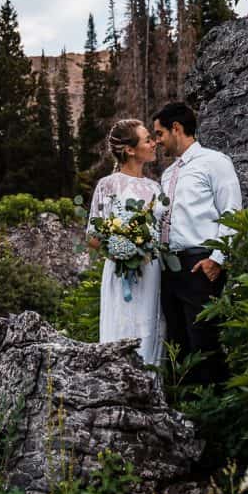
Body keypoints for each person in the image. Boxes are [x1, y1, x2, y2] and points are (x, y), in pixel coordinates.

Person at [152, 102, 242, 384]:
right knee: (177, 345)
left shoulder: (215, 162)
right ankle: (187, 412)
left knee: (205, 343)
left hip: (200, 265)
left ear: (176, 128)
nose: (157, 141)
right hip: (168, 268)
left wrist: (217, 258)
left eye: (159, 134)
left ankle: (217, 412)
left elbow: (232, 212)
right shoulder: (167, 175)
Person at [87, 119, 165, 365]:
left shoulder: (155, 186)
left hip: (152, 269)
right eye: (147, 140)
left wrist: (146, 249)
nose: (153, 144)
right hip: (122, 272)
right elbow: (92, 235)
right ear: (130, 150)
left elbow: (163, 230)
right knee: (122, 323)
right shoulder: (108, 185)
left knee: (150, 325)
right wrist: (123, 251)